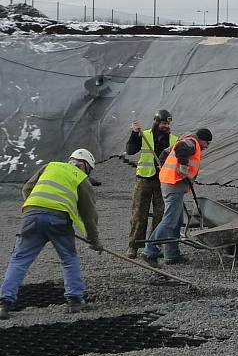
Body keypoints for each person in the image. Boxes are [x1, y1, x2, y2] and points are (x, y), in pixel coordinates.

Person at [0, 149, 102, 319]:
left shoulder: (50, 166)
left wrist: (36, 209)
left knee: (19, 260)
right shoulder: (81, 179)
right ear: (85, 166)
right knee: (69, 259)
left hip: (31, 217)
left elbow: (27, 188)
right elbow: (89, 215)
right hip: (58, 220)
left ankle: (4, 304)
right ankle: (75, 301)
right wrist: (94, 240)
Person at [140, 128, 212, 267]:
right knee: (170, 221)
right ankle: (149, 251)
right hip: (174, 185)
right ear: (202, 140)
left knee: (177, 221)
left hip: (171, 184)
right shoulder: (191, 142)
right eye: (207, 143)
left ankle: (171, 255)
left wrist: (164, 168)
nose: (206, 147)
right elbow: (180, 148)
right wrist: (183, 168)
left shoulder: (186, 140)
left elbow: (165, 153)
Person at [125, 109, 178, 258]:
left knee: (160, 216)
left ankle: (153, 246)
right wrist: (134, 133)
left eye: (168, 123)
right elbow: (130, 150)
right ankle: (134, 246)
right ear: (156, 122)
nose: (166, 126)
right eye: (163, 123)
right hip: (144, 180)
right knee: (138, 214)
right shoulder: (144, 135)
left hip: (163, 182)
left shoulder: (174, 140)